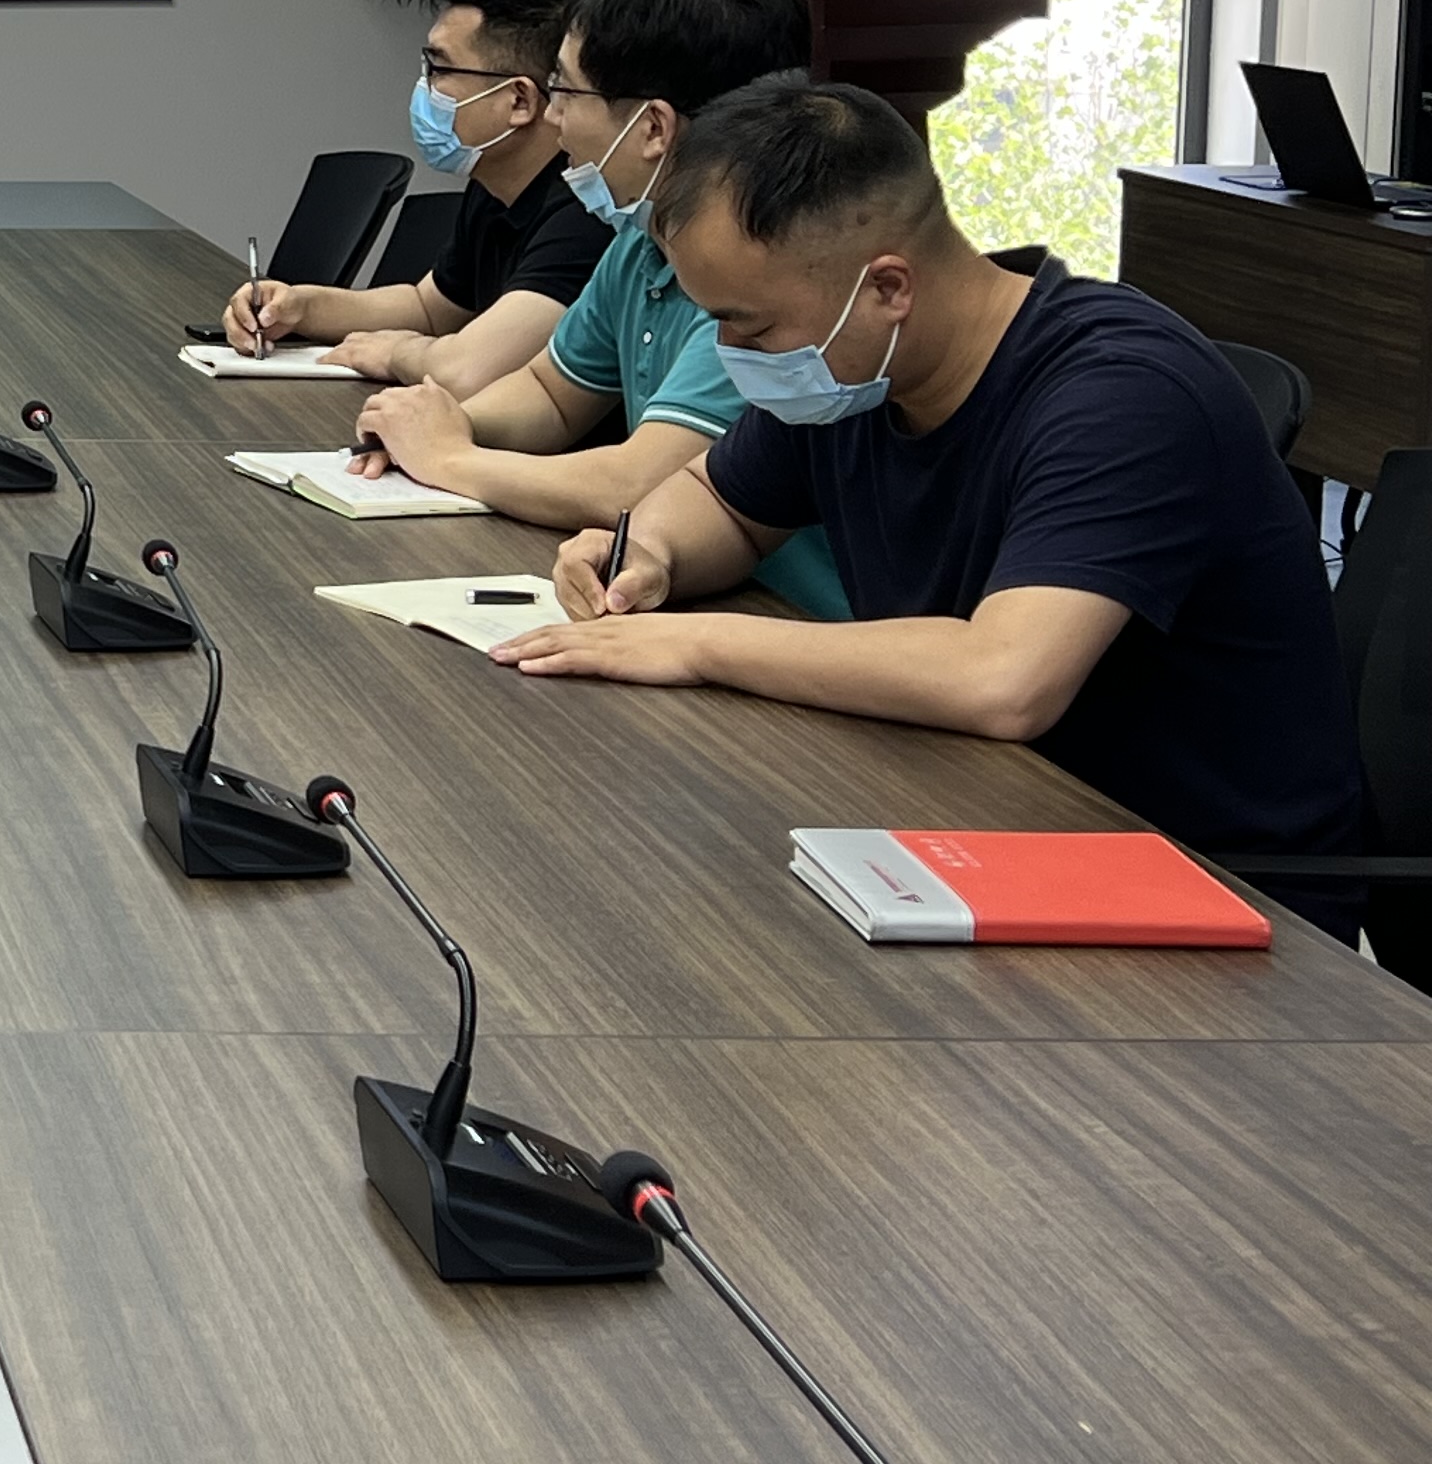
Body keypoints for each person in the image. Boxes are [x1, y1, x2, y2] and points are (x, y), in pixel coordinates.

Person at [493, 79, 1369, 921]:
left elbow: (1004, 679)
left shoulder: (1123, 395)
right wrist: (644, 553)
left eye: (747, 325)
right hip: (970, 817)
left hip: (1202, 888)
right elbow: (719, 503)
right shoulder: (857, 372)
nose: (731, 352)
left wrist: (694, 642)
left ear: (887, 288)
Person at [347, 0, 851, 619]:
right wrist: (437, 425)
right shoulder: (642, 240)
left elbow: (638, 481)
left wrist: (451, 459)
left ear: (652, 127)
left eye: (565, 92)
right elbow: (551, 395)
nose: (552, 117)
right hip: (681, 593)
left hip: (792, 617)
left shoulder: (765, 279)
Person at [229, 0, 608, 393]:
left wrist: (395, 353)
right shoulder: (497, 183)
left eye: (439, 70)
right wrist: (298, 306)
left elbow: (469, 368)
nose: (425, 87)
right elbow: (428, 308)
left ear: (519, 101)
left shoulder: (587, 212)